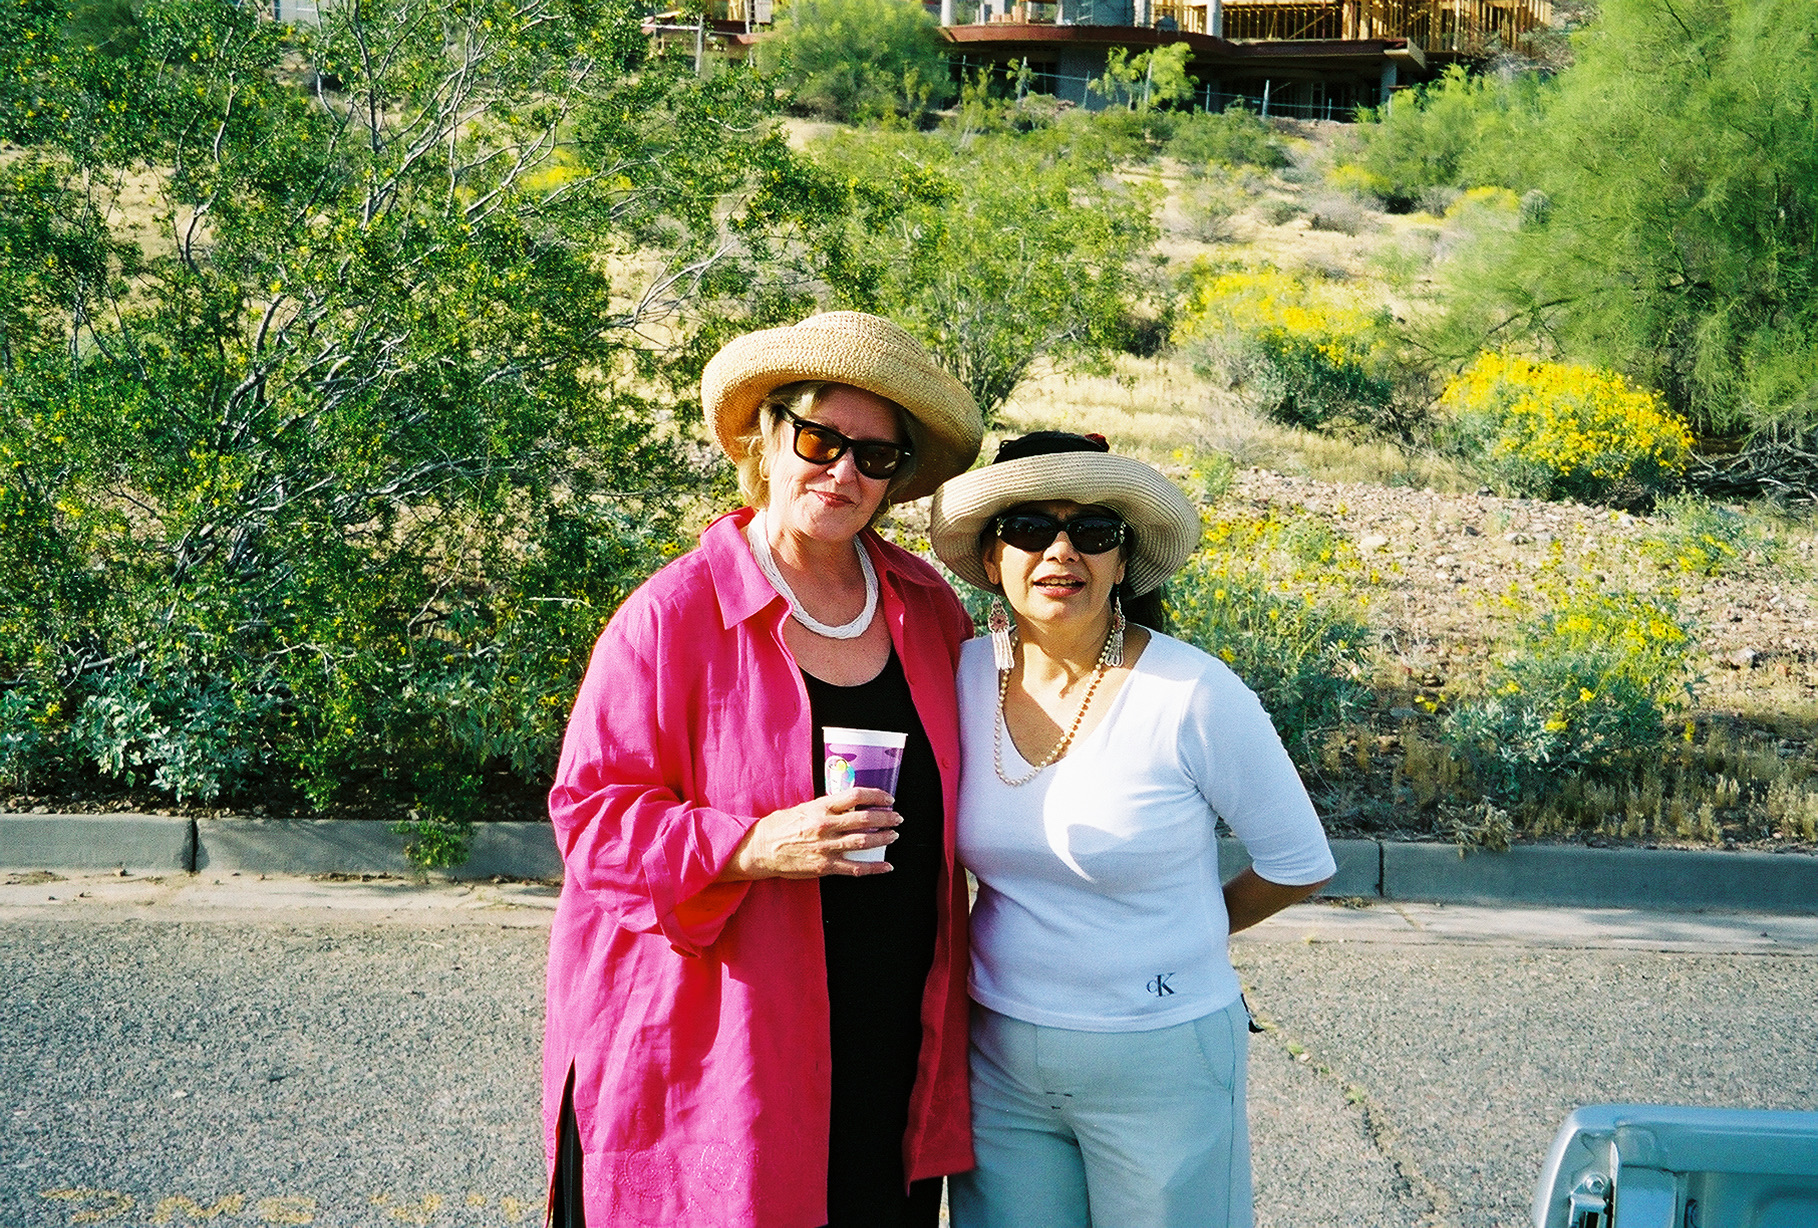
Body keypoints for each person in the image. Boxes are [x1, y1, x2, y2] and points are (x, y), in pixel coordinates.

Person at [543, 312, 985, 1228]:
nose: (844, 473)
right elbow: (592, 818)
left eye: (876, 457)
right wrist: (747, 847)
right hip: (724, 1046)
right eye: (820, 440)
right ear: (767, 436)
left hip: (888, 1036)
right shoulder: (673, 614)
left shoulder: (927, 608)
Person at [928, 431, 1337, 1228]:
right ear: (991, 557)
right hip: (998, 1058)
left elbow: (1299, 862)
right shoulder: (962, 676)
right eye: (1029, 529)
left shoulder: (1192, 692)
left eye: (1092, 532)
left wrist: (1178, 934)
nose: (1061, 551)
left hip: (1162, 1060)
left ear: (1122, 562)